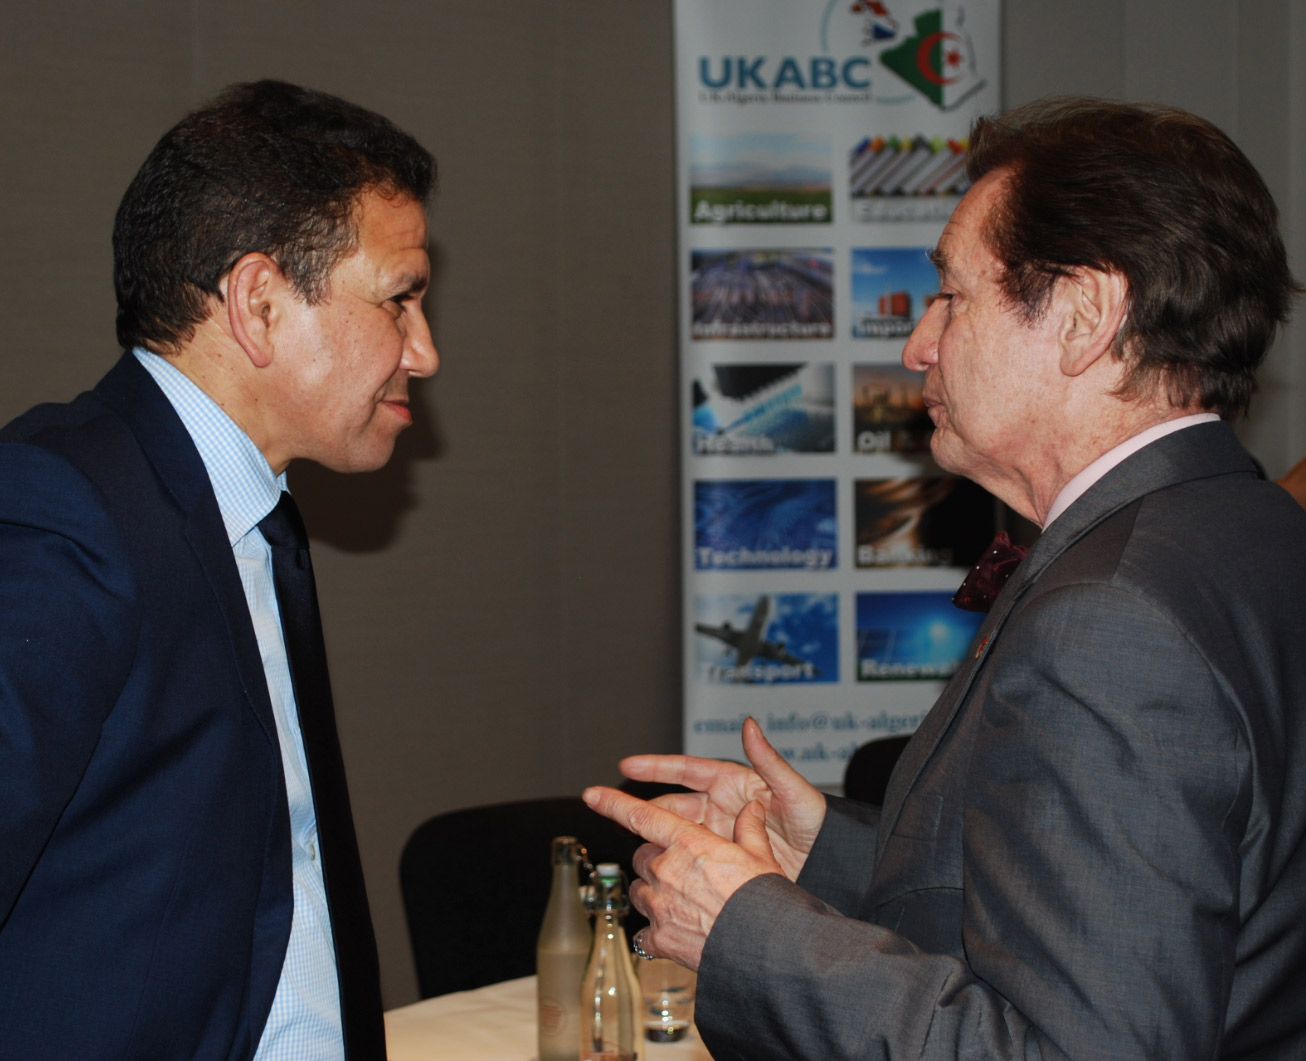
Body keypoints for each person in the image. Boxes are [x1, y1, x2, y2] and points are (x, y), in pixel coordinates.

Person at [584, 98, 1306, 1059]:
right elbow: (1148, 901)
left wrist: (748, 930)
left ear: (1085, 316)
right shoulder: (1253, 529)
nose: (917, 343)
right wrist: (823, 856)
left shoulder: (1110, 615)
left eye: (952, 297)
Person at [0, 81, 438, 1060]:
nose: (425, 350)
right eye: (399, 299)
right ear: (259, 303)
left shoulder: (254, 513)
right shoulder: (62, 515)